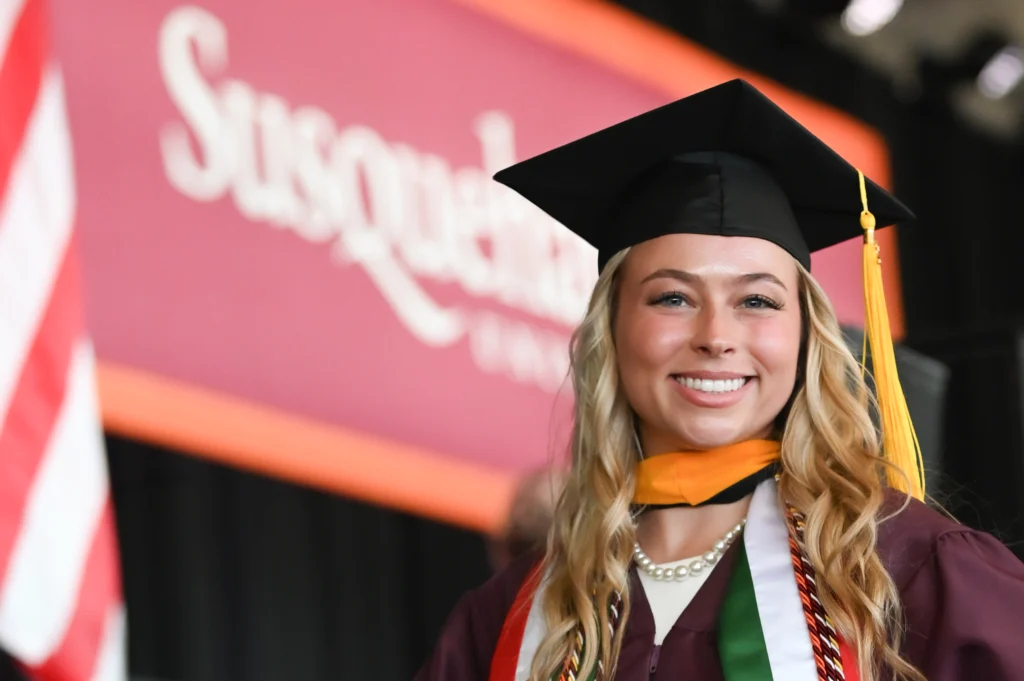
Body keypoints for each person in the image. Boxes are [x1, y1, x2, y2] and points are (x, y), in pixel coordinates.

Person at [414, 79, 1024, 681]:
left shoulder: (909, 574)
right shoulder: (511, 617)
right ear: (613, 329)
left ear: (806, 335)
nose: (716, 335)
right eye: (673, 297)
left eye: (757, 301)